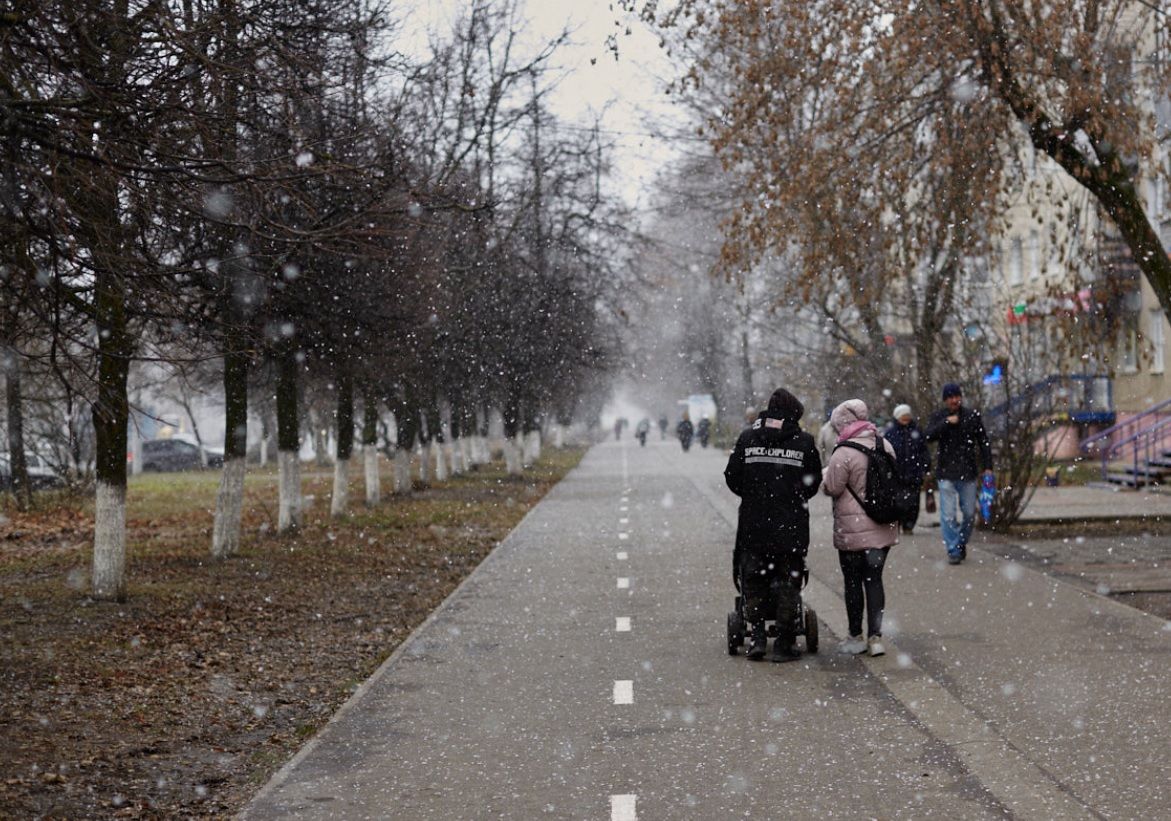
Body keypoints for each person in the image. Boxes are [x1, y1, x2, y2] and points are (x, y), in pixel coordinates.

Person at [724, 389, 822, 662]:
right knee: (788, 582)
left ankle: (756, 636)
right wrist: (792, 497)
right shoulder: (803, 442)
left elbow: (732, 477)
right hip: (791, 527)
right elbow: (813, 482)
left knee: (754, 579)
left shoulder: (747, 438)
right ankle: (783, 641)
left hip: (754, 525)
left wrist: (754, 494)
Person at [822, 399, 898, 657]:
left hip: (852, 530)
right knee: (874, 580)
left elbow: (833, 487)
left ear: (843, 425)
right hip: (882, 525)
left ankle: (855, 637)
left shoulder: (842, 452)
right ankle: (876, 637)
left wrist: (825, 475)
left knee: (853, 582)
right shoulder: (884, 444)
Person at [923, 383, 993, 565]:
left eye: (957, 396)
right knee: (948, 515)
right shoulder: (939, 417)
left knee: (969, 514)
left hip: (968, 473)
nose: (955, 400)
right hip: (946, 473)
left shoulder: (971, 416)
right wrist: (946, 423)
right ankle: (953, 549)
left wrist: (988, 467)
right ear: (945, 400)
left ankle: (961, 542)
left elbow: (983, 441)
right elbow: (928, 436)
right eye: (950, 397)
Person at [884, 403, 930, 533]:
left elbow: (923, 451)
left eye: (907, 416)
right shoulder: (891, 433)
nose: (906, 419)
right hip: (897, 474)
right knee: (897, 501)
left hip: (914, 473)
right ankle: (897, 522)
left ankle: (909, 525)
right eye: (903, 416)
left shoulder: (916, 431)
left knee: (913, 502)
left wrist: (925, 467)